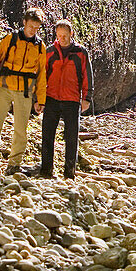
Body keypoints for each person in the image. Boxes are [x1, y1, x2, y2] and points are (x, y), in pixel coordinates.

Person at [0, 8, 47, 174]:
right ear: (24, 23)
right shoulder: (10, 39)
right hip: (3, 87)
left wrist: (41, 100)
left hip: (24, 92)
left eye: (36, 28)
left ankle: (14, 164)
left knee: (20, 129)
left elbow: (42, 75)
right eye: (31, 26)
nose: (33, 30)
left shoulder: (40, 47)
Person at [39, 19, 93, 178]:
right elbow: (42, 76)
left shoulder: (81, 52)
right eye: (59, 35)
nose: (61, 39)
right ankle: (46, 170)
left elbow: (87, 75)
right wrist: (39, 98)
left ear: (71, 34)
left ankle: (69, 173)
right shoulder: (49, 51)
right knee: (47, 135)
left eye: (64, 36)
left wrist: (87, 97)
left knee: (71, 137)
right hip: (51, 98)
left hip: (72, 99)